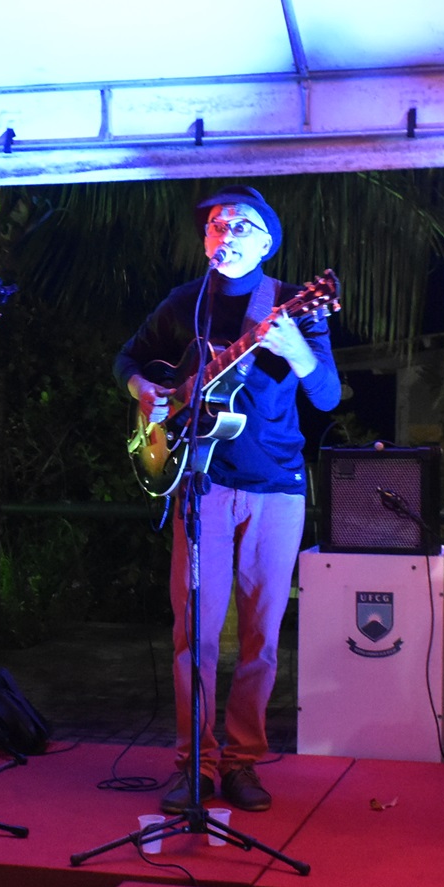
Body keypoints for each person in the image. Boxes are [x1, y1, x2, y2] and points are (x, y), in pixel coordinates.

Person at [114, 186, 340, 813]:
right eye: (217, 225)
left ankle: (243, 762)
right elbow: (128, 358)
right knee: (195, 634)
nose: (227, 234)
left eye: (241, 226)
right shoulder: (185, 302)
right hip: (202, 483)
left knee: (260, 638)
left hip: (276, 485)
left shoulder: (294, 304)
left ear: (266, 243)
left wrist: (295, 349)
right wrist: (144, 391)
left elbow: (326, 395)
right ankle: (196, 763)